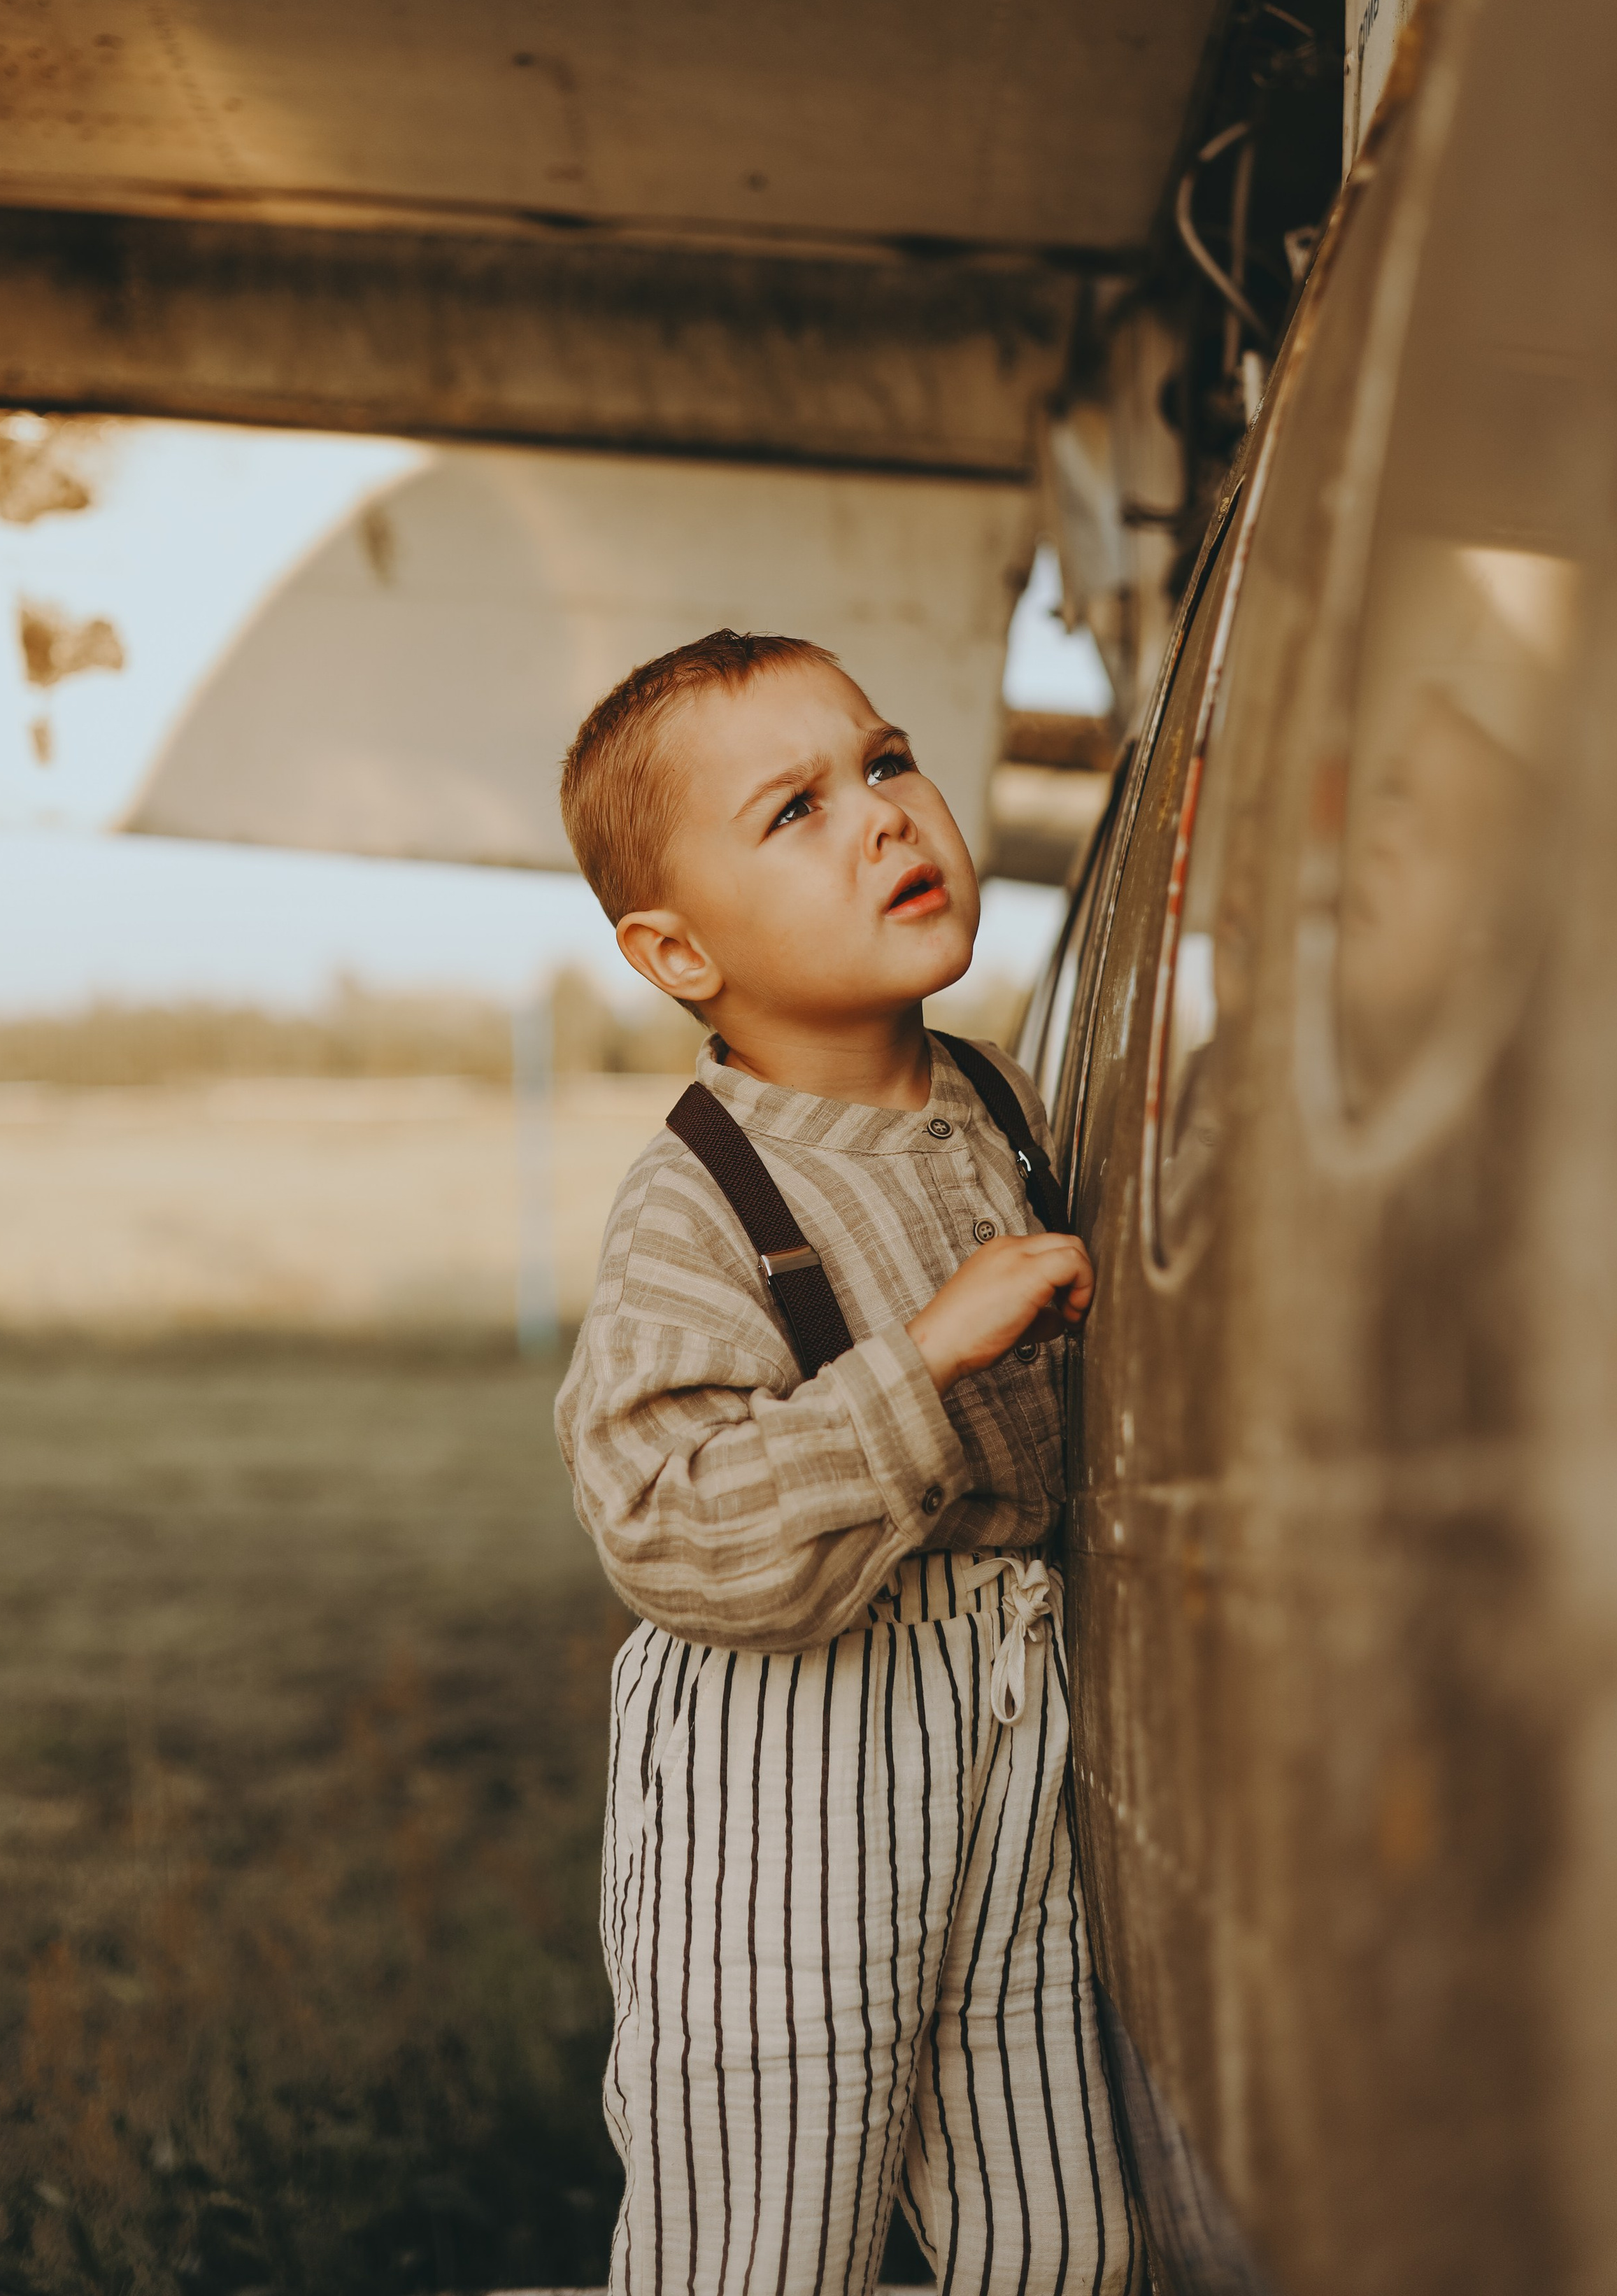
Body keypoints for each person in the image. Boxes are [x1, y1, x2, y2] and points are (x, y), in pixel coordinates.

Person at [555, 628, 1142, 2296]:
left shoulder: (994, 1101)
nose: (884, 819)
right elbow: (668, 1533)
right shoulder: (698, 1199)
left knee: (1058, 2236)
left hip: (1006, 1742)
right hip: (788, 1771)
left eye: (884, 764)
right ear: (674, 951)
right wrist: (925, 1356)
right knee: (764, 2233)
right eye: (795, 811)